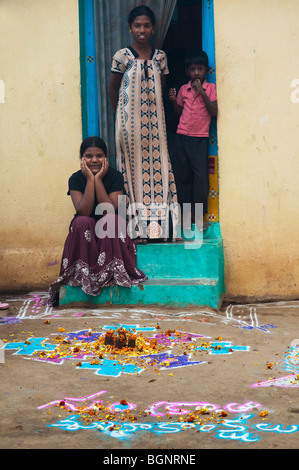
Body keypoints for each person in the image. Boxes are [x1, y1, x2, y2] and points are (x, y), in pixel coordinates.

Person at [48, 136, 147, 306]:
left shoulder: (115, 176)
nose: (94, 160)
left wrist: (98, 180)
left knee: (110, 220)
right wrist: (89, 180)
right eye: (89, 156)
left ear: (106, 158)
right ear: (82, 159)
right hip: (87, 227)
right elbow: (83, 211)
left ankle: (110, 273)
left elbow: (109, 209)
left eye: (99, 156)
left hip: (110, 226)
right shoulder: (76, 179)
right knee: (81, 222)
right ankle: (83, 274)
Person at [108, 5, 179, 243]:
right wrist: (121, 118)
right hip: (130, 127)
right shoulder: (122, 56)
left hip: (156, 126)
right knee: (134, 174)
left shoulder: (161, 57)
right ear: (130, 28)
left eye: (146, 25)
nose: (142, 30)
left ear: (153, 28)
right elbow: (113, 89)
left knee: (158, 171)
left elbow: (160, 89)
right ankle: (137, 231)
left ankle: (160, 231)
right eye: (137, 25)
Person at [169, 50, 217, 228]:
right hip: (181, 137)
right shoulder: (183, 89)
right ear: (187, 72)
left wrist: (202, 93)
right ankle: (187, 217)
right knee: (183, 177)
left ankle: (199, 217)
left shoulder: (210, 89)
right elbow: (179, 114)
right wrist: (174, 100)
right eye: (192, 69)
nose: (196, 73)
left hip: (199, 139)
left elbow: (214, 112)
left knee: (200, 178)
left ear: (206, 70)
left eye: (200, 69)